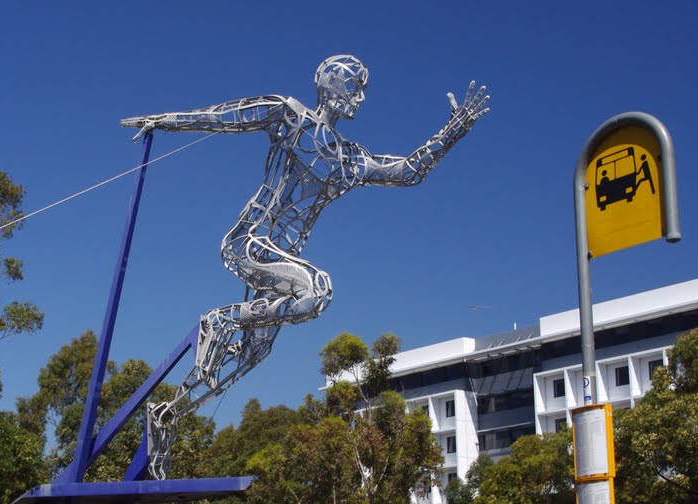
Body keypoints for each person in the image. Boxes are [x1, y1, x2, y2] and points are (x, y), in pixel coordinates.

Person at [122, 55, 489, 480]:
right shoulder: (289, 117)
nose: (360, 97)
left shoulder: (350, 160)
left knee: (253, 355)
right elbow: (221, 118)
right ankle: (219, 319)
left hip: (282, 272)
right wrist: (162, 121)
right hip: (252, 243)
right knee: (319, 290)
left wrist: (454, 130)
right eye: (354, 85)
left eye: (364, 89)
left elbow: (407, 171)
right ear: (330, 84)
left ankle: (168, 414)